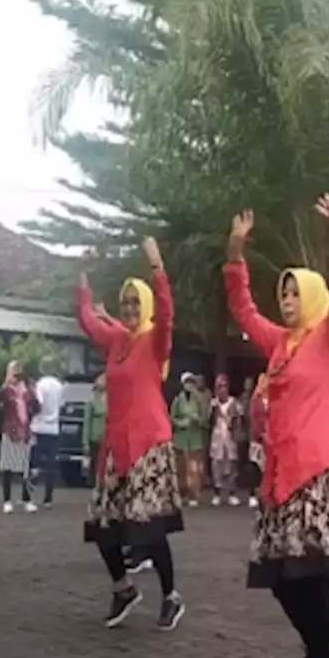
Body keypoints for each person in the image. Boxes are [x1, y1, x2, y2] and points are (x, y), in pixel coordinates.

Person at [223, 198, 329, 658]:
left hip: (315, 469)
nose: (286, 299)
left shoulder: (326, 337)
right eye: (282, 291)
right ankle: (315, 654)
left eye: (294, 291)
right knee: (280, 576)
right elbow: (242, 310)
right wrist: (235, 253)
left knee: (305, 573)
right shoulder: (279, 344)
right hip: (280, 473)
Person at [75, 237, 186, 631]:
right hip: (116, 445)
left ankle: (171, 596)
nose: (131, 309)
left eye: (136, 303)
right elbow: (87, 318)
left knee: (148, 528)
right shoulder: (117, 339)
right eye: (126, 304)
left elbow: (169, 314)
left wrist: (157, 267)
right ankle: (123, 589)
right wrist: (83, 274)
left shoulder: (154, 341)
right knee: (103, 525)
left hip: (148, 444)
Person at [0, 361, 36, 513]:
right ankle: (7, 500)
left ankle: (26, 499)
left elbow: (36, 406)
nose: (17, 375)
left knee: (25, 467)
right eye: (14, 371)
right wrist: (6, 383)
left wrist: (29, 389)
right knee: (7, 467)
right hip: (10, 431)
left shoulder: (27, 390)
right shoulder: (6, 391)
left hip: (24, 432)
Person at [25, 361, 63, 512]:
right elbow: (61, 405)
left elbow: (37, 404)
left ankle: (29, 496)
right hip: (53, 428)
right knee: (51, 466)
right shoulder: (59, 386)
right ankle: (48, 498)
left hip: (39, 427)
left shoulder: (40, 385)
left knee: (34, 464)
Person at [171, 372, 207, 508]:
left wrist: (195, 418)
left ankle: (193, 495)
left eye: (192, 383)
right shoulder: (177, 400)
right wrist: (181, 423)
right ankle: (181, 494)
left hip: (195, 437)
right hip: (181, 438)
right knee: (181, 469)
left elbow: (204, 418)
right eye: (187, 383)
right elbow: (172, 418)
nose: (189, 385)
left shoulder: (199, 400)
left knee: (194, 469)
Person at [208, 374, 244, 507]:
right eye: (219, 386)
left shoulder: (234, 403)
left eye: (224, 386)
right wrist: (213, 410)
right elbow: (208, 422)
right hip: (217, 439)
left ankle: (232, 494)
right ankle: (217, 494)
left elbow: (241, 420)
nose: (222, 389)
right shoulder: (213, 403)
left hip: (230, 439)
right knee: (216, 466)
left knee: (232, 467)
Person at [246, 374, 269, 509]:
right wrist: (259, 433)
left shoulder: (273, 398)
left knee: (267, 468)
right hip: (257, 438)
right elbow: (253, 418)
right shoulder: (256, 399)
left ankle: (264, 494)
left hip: (270, 438)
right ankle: (252, 494)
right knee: (255, 467)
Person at [82, 372, 107, 488]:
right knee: (95, 465)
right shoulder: (92, 400)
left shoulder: (111, 398)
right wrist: (85, 443)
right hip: (95, 438)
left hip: (107, 438)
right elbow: (87, 422)